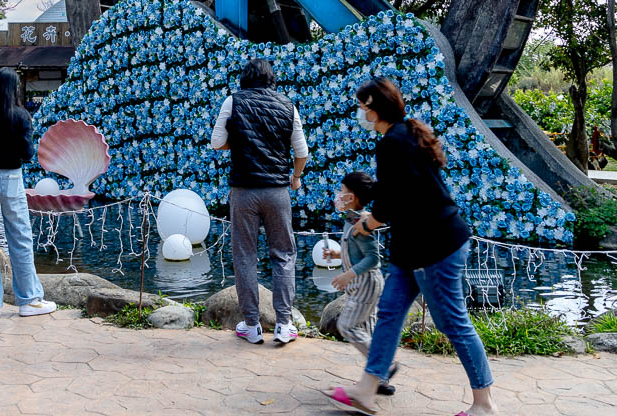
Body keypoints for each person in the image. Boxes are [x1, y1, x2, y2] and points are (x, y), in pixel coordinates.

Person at [326, 77, 496, 416]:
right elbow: (399, 194)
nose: (360, 113)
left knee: (453, 324)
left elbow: (391, 200)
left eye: (362, 107)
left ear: (374, 109)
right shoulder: (404, 134)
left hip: (434, 246)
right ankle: (366, 390)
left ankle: (484, 405)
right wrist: (373, 216)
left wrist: (367, 223)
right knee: (388, 314)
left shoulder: (394, 142)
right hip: (411, 248)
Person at [210, 57, 309, 345]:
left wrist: (237, 142)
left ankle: (251, 325)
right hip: (277, 191)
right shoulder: (287, 105)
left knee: (244, 256)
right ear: (271, 79)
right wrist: (296, 177)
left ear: (245, 78)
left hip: (243, 191)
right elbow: (301, 152)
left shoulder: (233, 102)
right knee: (284, 254)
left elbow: (217, 142)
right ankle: (284, 324)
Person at [0, 69, 57, 319]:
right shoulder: (21, 116)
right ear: (15, 88)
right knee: (20, 239)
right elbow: (28, 154)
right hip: (10, 180)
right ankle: (28, 300)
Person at [324, 171, 394, 396]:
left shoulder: (361, 223)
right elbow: (354, 253)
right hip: (362, 284)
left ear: (351, 197)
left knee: (348, 326)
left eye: (342, 191)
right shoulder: (350, 220)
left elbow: (373, 258)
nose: (338, 195)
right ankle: (380, 380)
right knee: (367, 328)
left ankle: (384, 365)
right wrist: (336, 255)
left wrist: (347, 275)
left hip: (366, 284)